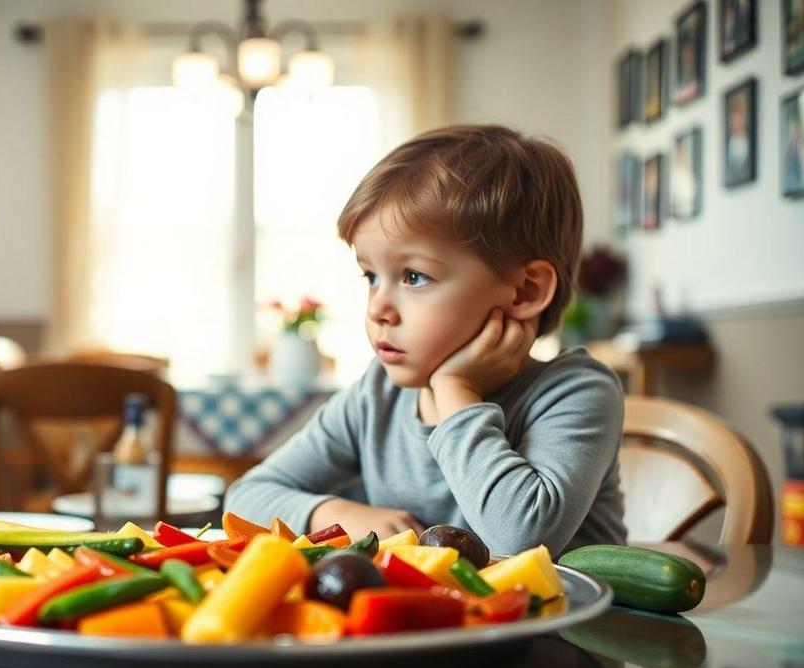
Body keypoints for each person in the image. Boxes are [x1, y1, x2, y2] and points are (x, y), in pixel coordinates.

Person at [225, 125, 626, 557]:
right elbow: (246, 496)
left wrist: (456, 391)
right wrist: (332, 511)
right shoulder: (376, 395)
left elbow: (520, 539)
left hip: (567, 624)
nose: (378, 307)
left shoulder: (577, 392)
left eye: (414, 276)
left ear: (525, 291)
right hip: (445, 624)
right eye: (371, 276)